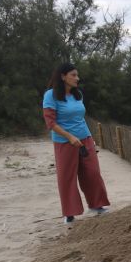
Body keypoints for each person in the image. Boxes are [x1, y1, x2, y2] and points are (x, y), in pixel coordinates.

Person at [42, 62, 110, 224]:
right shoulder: (50, 95)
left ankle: (97, 205)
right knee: (67, 177)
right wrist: (70, 137)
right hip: (65, 142)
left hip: (85, 139)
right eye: (73, 75)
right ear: (63, 76)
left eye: (77, 75)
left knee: (92, 173)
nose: (77, 78)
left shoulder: (77, 94)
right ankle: (70, 213)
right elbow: (50, 123)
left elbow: (80, 118)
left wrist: (90, 138)